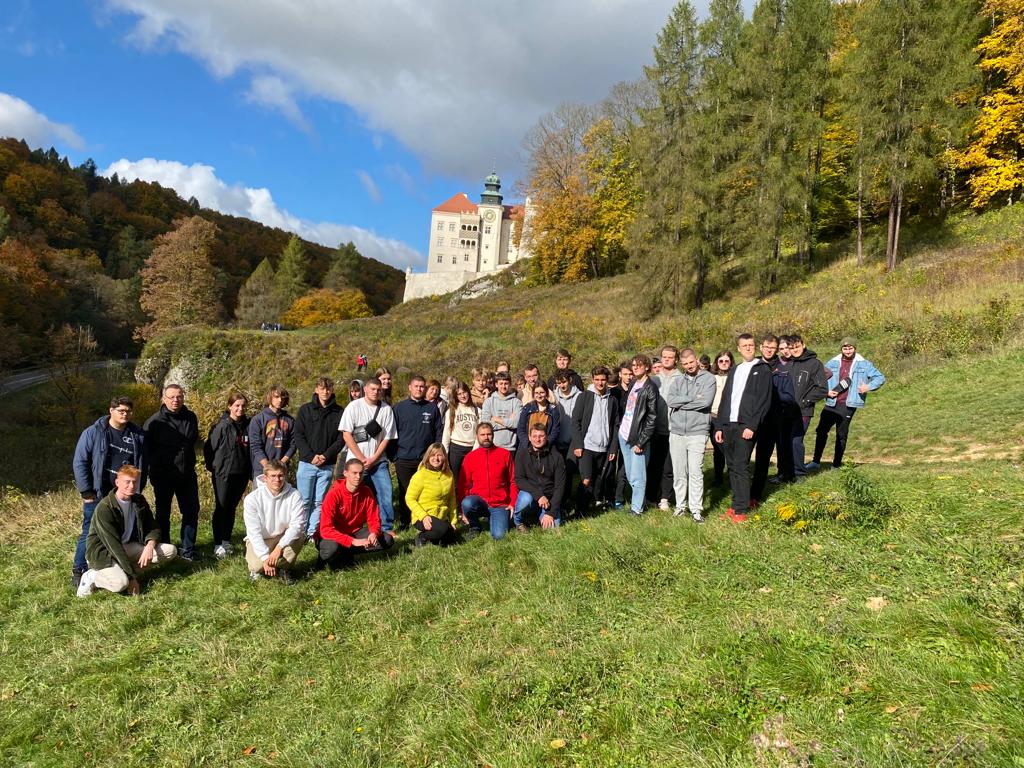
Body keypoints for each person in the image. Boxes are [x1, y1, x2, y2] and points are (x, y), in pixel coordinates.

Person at [72, 395, 146, 589]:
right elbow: (80, 461)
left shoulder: (136, 434)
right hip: (97, 493)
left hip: (124, 494)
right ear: (111, 410)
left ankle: (118, 566)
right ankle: (80, 569)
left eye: (128, 411)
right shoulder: (94, 432)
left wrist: (137, 489)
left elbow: (141, 463)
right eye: (121, 410)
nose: (125, 414)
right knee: (90, 530)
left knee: (124, 530)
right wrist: (86, 491)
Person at [76, 464, 177, 597]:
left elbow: (153, 526)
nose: (131, 486)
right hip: (104, 552)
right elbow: (114, 546)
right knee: (120, 584)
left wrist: (150, 545)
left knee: (170, 551)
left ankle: (124, 571)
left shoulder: (138, 501)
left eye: (134, 482)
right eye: (127, 482)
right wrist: (131, 579)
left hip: (127, 546)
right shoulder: (105, 507)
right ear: (117, 482)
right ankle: (92, 576)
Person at [713, 335, 773, 522]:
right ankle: (736, 504)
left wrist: (752, 425)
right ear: (738, 349)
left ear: (755, 347)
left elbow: (764, 401)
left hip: (746, 426)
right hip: (729, 424)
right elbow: (726, 398)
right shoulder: (735, 370)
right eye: (744, 345)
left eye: (751, 345)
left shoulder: (762, 370)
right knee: (732, 466)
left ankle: (742, 510)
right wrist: (720, 426)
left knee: (740, 465)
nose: (748, 348)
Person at [144, 383, 201, 562]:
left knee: (191, 510)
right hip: (163, 476)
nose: (176, 400)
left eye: (179, 396)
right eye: (172, 397)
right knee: (163, 514)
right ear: (164, 399)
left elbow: (191, 442)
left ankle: (188, 549)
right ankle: (166, 549)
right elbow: (146, 451)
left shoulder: (191, 417)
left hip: (186, 475)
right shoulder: (153, 422)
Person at [810, 338, 886, 469]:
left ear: (855, 348)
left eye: (850, 348)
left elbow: (880, 378)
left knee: (841, 434)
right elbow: (820, 377)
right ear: (841, 349)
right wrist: (826, 391)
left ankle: (836, 465)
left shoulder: (864, 364)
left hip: (849, 404)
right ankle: (815, 462)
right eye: (845, 348)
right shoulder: (833, 362)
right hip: (831, 402)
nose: (848, 350)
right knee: (821, 431)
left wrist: (867, 387)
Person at [338, 377, 397, 533]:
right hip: (355, 461)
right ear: (365, 389)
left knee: (385, 493)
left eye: (378, 390)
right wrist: (361, 459)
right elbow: (346, 434)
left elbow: (387, 437)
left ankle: (386, 528)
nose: (375, 392)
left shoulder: (386, 409)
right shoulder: (353, 406)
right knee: (350, 494)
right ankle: (346, 526)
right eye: (372, 389)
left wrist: (373, 458)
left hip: (378, 462)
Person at [664, 349, 716, 522]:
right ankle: (680, 506)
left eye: (691, 362)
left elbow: (705, 402)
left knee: (695, 471)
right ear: (681, 364)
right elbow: (670, 401)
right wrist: (693, 398)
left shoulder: (708, 378)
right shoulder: (678, 380)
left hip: (698, 432)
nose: (689, 366)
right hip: (677, 431)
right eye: (685, 364)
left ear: (696, 360)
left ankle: (696, 509)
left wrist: (682, 402)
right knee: (679, 472)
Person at [317, 458, 393, 570]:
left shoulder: (366, 491)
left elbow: (374, 518)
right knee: (331, 549)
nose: (358, 476)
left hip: (354, 532)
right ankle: (324, 559)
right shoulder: (333, 494)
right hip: (332, 535)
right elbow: (325, 529)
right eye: (354, 473)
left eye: (361, 473)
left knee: (387, 539)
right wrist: (353, 541)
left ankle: (346, 553)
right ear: (345, 473)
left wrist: (373, 533)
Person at [294, 377, 345, 541]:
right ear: (316, 389)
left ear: (332, 390)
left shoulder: (339, 412)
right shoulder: (305, 410)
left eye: (328, 388)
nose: (325, 391)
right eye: (322, 388)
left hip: (327, 465)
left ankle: (311, 533)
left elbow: (341, 438)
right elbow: (298, 436)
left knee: (319, 502)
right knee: (304, 501)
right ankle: (300, 532)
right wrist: (310, 456)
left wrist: (326, 456)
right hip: (306, 464)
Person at [392, 374, 444, 530]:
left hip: (425, 460)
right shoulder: (399, 408)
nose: (419, 389)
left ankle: (424, 520)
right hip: (404, 458)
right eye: (416, 386)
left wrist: (434, 455)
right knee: (405, 491)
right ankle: (405, 521)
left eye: (422, 386)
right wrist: (394, 456)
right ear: (410, 387)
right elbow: (391, 433)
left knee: (425, 491)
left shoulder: (432, 408)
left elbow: (438, 433)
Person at [203, 390, 251, 559]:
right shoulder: (221, 426)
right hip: (223, 473)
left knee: (231, 508)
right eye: (237, 405)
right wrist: (215, 467)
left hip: (242, 473)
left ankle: (226, 540)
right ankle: (217, 544)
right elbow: (209, 448)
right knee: (221, 507)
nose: (240, 409)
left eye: (243, 405)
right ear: (229, 406)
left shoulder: (249, 425)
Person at [242, 460, 305, 583]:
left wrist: (279, 548)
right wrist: (265, 558)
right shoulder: (252, 499)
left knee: (299, 535)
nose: (277, 479)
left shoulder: (295, 495)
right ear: (265, 478)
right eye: (273, 476)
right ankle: (257, 569)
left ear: (285, 476)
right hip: (261, 538)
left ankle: (284, 569)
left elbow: (297, 525)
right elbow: (253, 532)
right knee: (257, 566)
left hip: (282, 537)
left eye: (280, 475)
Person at [570, 365, 619, 515]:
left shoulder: (612, 400)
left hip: (604, 447)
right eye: (597, 380)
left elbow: (615, 425)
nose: (600, 383)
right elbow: (575, 422)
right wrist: (578, 444)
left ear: (607, 380)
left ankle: (592, 506)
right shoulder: (584, 396)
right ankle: (580, 510)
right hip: (587, 446)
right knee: (586, 479)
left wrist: (613, 448)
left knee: (599, 479)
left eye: (603, 380)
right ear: (592, 380)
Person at [458, 422, 518, 540]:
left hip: (499, 503)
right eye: (482, 434)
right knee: (467, 503)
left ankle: (496, 518)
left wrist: (512, 503)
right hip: (479, 501)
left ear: (493, 435)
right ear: (477, 436)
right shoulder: (470, 457)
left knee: (499, 536)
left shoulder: (504, 454)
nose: (486, 437)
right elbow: (462, 485)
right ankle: (475, 526)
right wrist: (462, 510)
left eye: (489, 434)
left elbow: (513, 481)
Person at [617, 354, 658, 515]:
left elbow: (652, 418)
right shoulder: (634, 383)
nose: (635, 367)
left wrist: (641, 441)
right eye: (633, 365)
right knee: (629, 473)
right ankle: (637, 503)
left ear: (647, 367)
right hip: (624, 434)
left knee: (638, 474)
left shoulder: (650, 388)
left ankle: (637, 509)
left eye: (638, 365)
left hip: (638, 438)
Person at [787, 335, 830, 480]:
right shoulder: (789, 364)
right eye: (791, 348)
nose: (795, 350)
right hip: (786, 410)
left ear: (803, 345)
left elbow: (822, 389)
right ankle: (787, 472)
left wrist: (805, 401)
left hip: (803, 410)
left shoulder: (814, 364)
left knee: (796, 440)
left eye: (797, 346)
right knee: (786, 441)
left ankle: (800, 474)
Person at [513, 424, 566, 532]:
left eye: (541, 436)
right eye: (534, 436)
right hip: (530, 494)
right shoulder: (522, 453)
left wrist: (550, 513)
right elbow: (519, 479)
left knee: (552, 529)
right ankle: (518, 522)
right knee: (525, 500)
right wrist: (539, 495)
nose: (538, 439)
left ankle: (541, 513)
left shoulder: (557, 456)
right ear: (529, 437)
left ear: (546, 436)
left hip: (549, 499)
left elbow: (560, 487)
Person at [750, 335, 784, 503]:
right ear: (761, 347)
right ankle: (739, 493)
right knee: (743, 459)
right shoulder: (752, 365)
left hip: (771, 421)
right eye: (766, 347)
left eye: (773, 348)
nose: (769, 350)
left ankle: (755, 496)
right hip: (750, 420)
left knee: (763, 460)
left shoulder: (782, 367)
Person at [406, 443, 460, 547]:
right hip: (422, 516)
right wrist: (423, 516)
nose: (436, 458)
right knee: (444, 530)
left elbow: (452, 499)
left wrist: (453, 521)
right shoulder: (420, 475)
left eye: (439, 455)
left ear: (444, 456)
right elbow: (409, 498)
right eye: (432, 455)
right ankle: (422, 536)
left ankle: (437, 536)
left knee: (451, 538)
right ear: (428, 457)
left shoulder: (449, 475)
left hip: (441, 516)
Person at [649, 345, 681, 510]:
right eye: (664, 357)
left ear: (676, 359)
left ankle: (665, 498)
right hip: (655, 430)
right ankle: (651, 497)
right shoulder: (654, 379)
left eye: (670, 357)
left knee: (669, 467)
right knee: (654, 465)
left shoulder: (681, 378)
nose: (667, 359)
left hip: (673, 429)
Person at [248, 385, 295, 478]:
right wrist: (267, 466)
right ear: (270, 397)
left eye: (282, 397)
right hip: (261, 470)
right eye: (276, 397)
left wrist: (282, 463)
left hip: (282, 470)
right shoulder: (258, 419)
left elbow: (293, 444)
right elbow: (256, 446)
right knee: (260, 493)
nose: (280, 400)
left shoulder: (290, 420)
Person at [609, 360, 634, 508]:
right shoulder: (613, 392)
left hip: (629, 434)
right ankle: (608, 496)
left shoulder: (636, 391)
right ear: (620, 374)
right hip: (614, 433)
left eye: (631, 374)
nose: (628, 377)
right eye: (625, 374)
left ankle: (619, 497)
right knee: (610, 466)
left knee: (624, 467)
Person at [442, 381, 479, 482]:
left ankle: (469, 498)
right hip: (456, 449)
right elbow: (446, 433)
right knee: (455, 480)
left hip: (472, 448)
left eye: (464, 392)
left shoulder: (477, 410)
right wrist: (445, 453)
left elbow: (479, 434)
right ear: (456, 396)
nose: (463, 396)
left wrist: (474, 451)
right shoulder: (451, 410)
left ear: (468, 392)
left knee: (470, 479)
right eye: (459, 394)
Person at [481, 371, 522, 453]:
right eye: (501, 383)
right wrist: (508, 423)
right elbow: (485, 425)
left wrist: (497, 420)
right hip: (493, 447)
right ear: (496, 384)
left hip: (511, 448)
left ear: (510, 384)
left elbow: (516, 423)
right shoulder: (489, 402)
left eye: (506, 383)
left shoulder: (517, 402)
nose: (503, 386)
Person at [709, 351, 733, 487]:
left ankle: (732, 475)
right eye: (721, 361)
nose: (724, 363)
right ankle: (718, 477)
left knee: (729, 447)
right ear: (716, 362)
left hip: (729, 418)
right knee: (717, 449)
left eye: (726, 361)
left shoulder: (734, 376)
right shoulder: (712, 378)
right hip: (714, 416)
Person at [517, 381, 561, 448]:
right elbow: (521, 429)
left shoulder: (553, 410)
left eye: (542, 392)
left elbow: (555, 431)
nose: (539, 395)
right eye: (536, 393)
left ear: (546, 393)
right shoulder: (527, 408)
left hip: (546, 447)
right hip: (527, 447)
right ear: (533, 394)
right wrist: (528, 444)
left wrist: (545, 444)